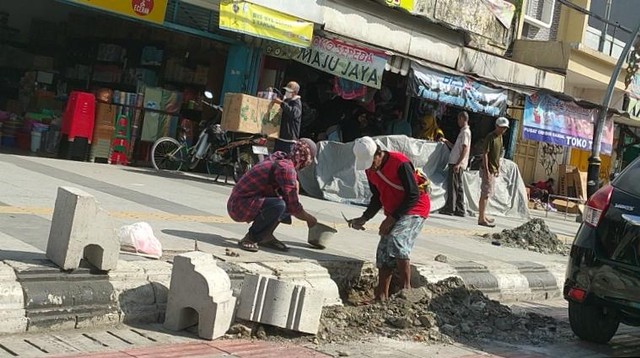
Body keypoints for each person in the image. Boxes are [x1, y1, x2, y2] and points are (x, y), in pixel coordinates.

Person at [348, 137, 431, 301]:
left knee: (397, 239)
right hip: (395, 211)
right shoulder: (370, 169)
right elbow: (377, 197)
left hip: (415, 208)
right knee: (384, 250)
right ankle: (381, 296)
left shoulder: (400, 163)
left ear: (378, 153)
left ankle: (406, 291)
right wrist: (364, 218)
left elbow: (413, 195)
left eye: (372, 162)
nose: (370, 167)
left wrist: (391, 219)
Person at [228, 138, 318, 252]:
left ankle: (266, 236)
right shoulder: (286, 168)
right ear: (305, 157)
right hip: (239, 206)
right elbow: (294, 207)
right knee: (280, 205)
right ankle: (250, 239)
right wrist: (311, 220)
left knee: (284, 200)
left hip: (242, 201)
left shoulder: (281, 158)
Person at [478, 117, 509, 227]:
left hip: (493, 169)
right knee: (485, 193)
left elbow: (499, 154)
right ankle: (481, 218)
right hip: (488, 169)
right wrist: (486, 170)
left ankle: (483, 215)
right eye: (501, 128)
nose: (503, 130)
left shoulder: (500, 138)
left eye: (504, 128)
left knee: (488, 193)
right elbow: (485, 153)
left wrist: (498, 168)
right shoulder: (490, 137)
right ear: (496, 126)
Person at [439, 111, 471, 217]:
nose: (458, 122)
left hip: (457, 163)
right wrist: (446, 141)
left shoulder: (465, 132)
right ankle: (460, 209)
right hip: (457, 162)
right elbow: (456, 148)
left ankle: (450, 208)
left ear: (462, 119)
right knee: (459, 186)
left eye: (458, 119)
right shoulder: (463, 131)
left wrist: (458, 163)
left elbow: (465, 148)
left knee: (453, 186)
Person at [272, 81, 302, 153]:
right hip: (280, 137)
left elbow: (294, 113)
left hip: (289, 140)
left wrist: (281, 103)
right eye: (286, 90)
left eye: (289, 91)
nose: (286, 92)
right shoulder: (287, 100)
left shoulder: (297, 102)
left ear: (294, 93)